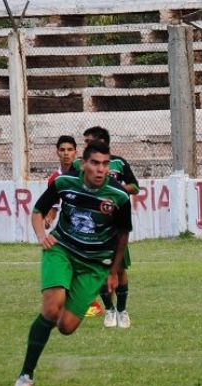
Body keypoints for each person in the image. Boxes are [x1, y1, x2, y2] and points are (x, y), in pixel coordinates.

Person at [13, 140, 132, 386]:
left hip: (93, 265)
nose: (101, 169)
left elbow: (122, 236)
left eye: (105, 164)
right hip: (62, 250)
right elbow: (38, 211)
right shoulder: (64, 183)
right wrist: (40, 235)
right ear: (84, 164)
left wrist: (113, 272)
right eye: (95, 163)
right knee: (51, 308)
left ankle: (67, 298)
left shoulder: (119, 196)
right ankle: (26, 375)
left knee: (66, 327)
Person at [81, 126, 139, 329]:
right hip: (94, 223)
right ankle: (109, 309)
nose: (85, 145)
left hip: (116, 223)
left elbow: (135, 186)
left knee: (120, 268)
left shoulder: (119, 163)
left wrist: (116, 189)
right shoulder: (85, 165)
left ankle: (122, 310)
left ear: (103, 142)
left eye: (88, 141)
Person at [44, 135, 104, 318]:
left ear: (75, 152)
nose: (66, 153)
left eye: (69, 150)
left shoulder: (83, 171)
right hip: (69, 229)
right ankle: (89, 304)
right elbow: (54, 206)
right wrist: (48, 217)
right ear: (57, 153)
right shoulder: (54, 179)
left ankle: (95, 304)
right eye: (62, 150)